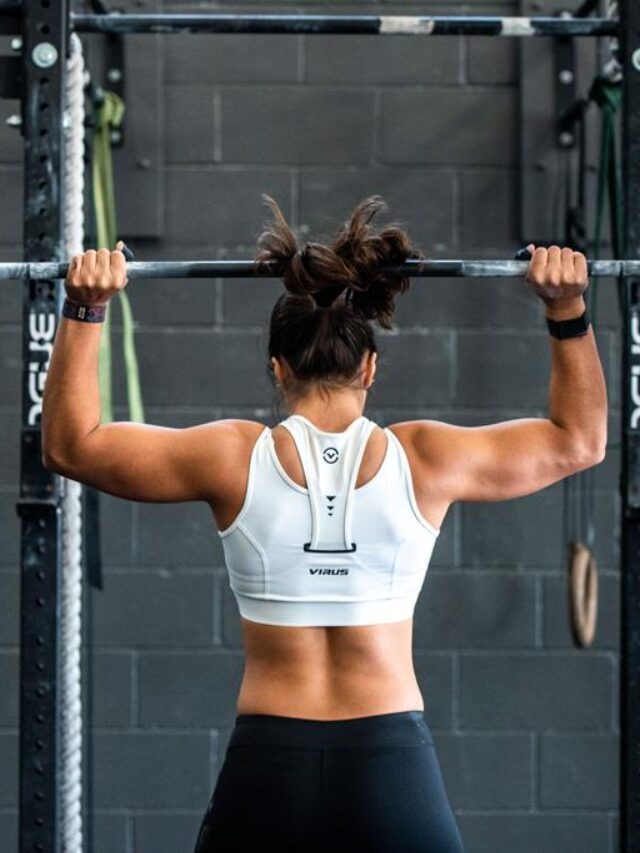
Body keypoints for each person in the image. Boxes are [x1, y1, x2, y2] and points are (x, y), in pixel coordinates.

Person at [42, 196, 607, 852]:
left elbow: (70, 445)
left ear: (277, 368)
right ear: (370, 365)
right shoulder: (426, 458)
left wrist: (86, 309)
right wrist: (566, 310)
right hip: (392, 764)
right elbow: (579, 440)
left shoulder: (232, 457)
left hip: (268, 768)